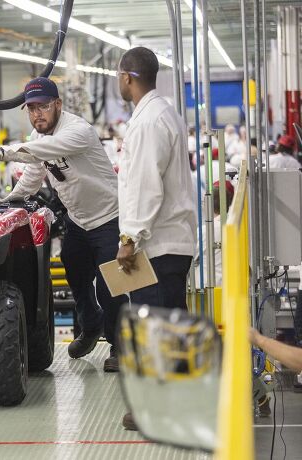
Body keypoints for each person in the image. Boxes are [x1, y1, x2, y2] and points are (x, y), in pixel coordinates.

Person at [0, 77, 125, 371]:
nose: (37, 114)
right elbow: (33, 176)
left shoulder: (78, 131)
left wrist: (3, 151)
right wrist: (8, 202)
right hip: (79, 221)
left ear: (58, 104)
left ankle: (120, 347)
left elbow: (42, 152)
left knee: (112, 286)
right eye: (31, 109)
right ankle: (91, 324)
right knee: (75, 273)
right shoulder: (37, 136)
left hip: (110, 217)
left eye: (43, 107)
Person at [115, 47, 197, 430]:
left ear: (128, 77)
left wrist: (129, 238)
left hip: (158, 245)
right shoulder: (163, 113)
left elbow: (147, 187)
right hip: (170, 241)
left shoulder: (149, 122)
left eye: (119, 76)